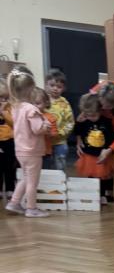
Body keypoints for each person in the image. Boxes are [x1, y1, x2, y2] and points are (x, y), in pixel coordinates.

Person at [4, 69, 51, 218]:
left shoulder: (16, 107)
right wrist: (46, 125)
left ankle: (14, 203)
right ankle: (31, 208)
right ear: (30, 90)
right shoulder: (31, 109)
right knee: (32, 182)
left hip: (20, 150)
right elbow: (37, 129)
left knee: (25, 178)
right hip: (32, 151)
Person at [74, 93, 114, 203]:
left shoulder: (106, 121)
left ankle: (102, 194)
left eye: (93, 115)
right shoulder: (84, 120)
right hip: (89, 154)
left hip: (102, 154)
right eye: (88, 115)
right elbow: (77, 132)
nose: (90, 118)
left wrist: (107, 149)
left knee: (103, 176)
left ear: (100, 111)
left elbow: (110, 137)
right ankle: (93, 194)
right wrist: (78, 122)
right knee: (91, 175)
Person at [45, 68, 75, 172]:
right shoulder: (42, 100)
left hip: (60, 141)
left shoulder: (64, 103)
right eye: (52, 85)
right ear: (46, 85)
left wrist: (61, 133)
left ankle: (61, 181)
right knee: (46, 166)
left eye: (59, 87)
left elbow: (70, 122)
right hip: (45, 141)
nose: (55, 88)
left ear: (63, 88)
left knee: (60, 166)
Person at [32, 87, 58, 166]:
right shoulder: (28, 116)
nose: (34, 106)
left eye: (37, 103)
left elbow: (54, 134)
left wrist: (48, 132)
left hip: (45, 152)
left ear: (46, 103)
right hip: (30, 152)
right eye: (31, 103)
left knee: (45, 171)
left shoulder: (50, 117)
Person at [0, 78, 17, 200]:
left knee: (10, 166)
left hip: (10, 140)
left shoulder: (10, 108)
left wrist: (4, 113)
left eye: (6, 98)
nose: (3, 101)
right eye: (0, 97)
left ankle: (10, 188)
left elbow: (14, 123)